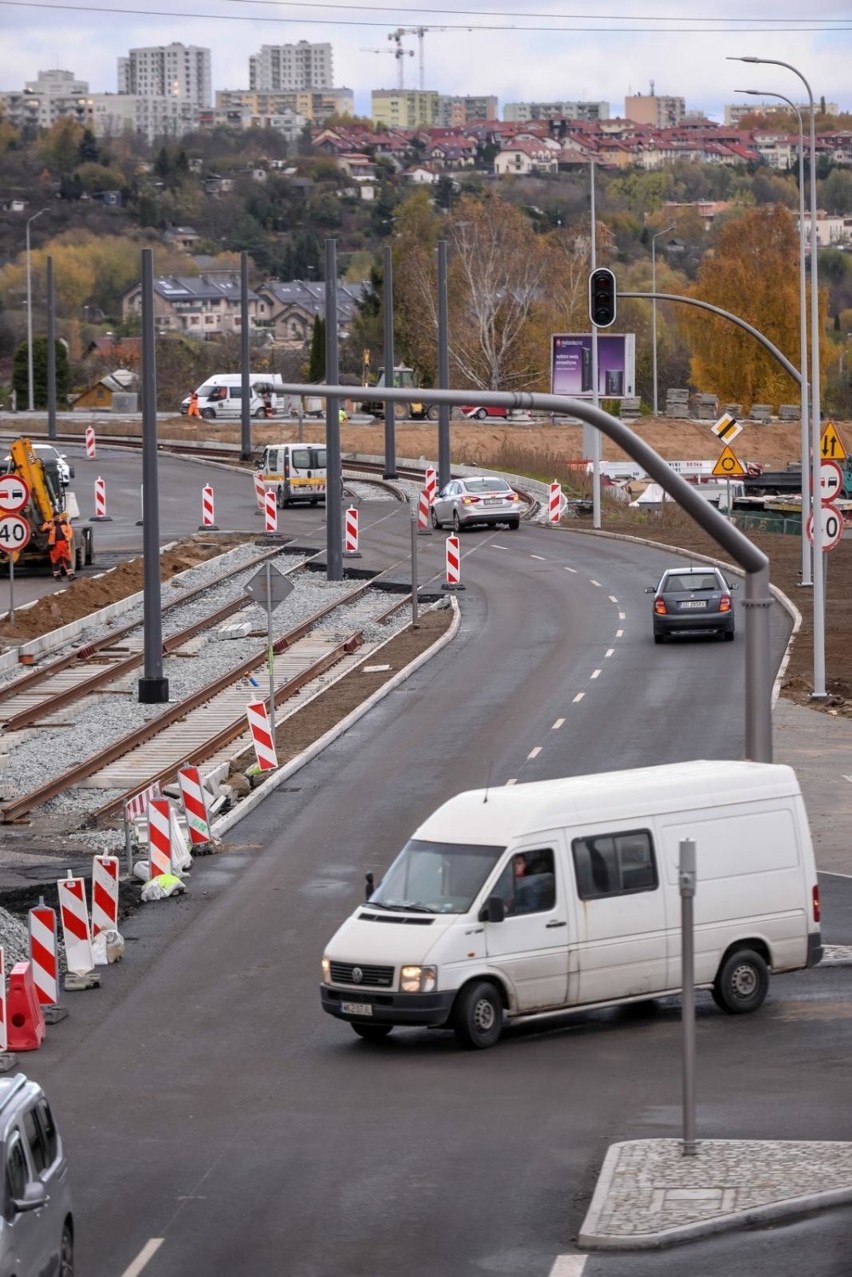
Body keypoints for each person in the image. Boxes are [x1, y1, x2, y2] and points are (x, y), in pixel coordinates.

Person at [42, 512, 75, 580]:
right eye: (55, 516)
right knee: (55, 561)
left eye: (58, 516)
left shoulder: (64, 523)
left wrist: (67, 539)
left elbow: (69, 532)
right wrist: (50, 524)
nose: (57, 517)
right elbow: (44, 529)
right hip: (54, 545)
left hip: (63, 543)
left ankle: (70, 575)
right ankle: (57, 576)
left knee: (67, 559)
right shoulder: (50, 523)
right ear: (53, 517)